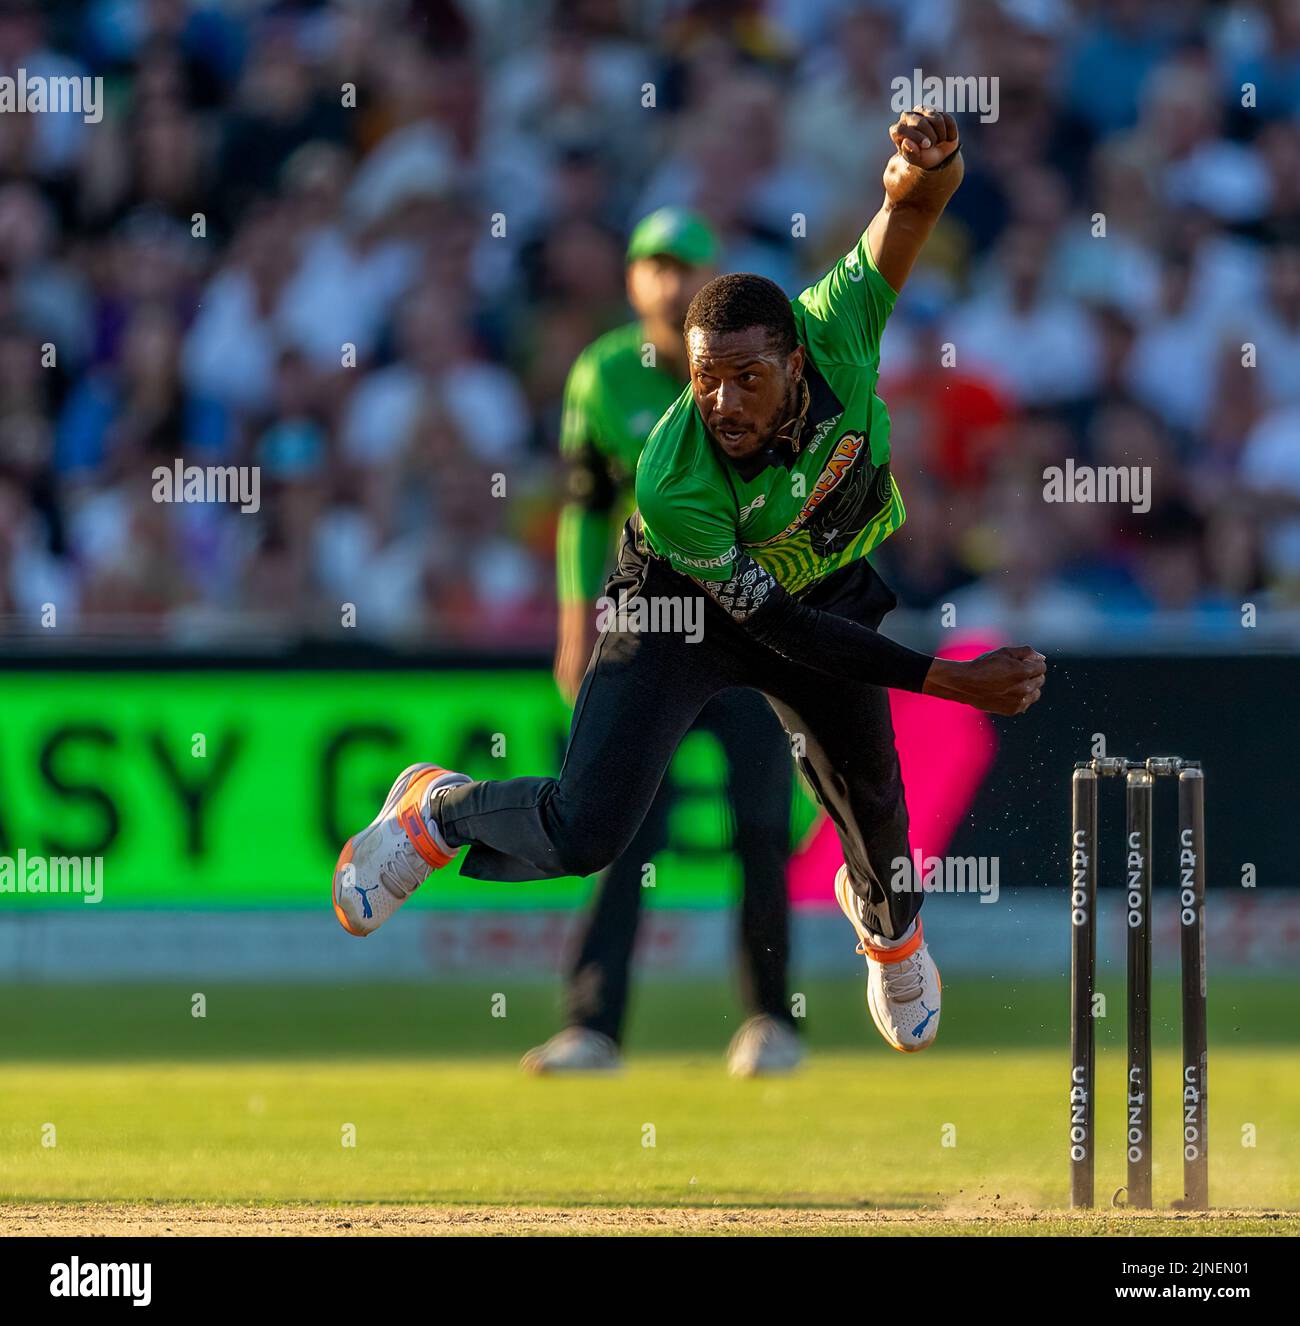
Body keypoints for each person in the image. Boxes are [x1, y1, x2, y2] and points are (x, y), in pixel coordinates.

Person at [332, 109, 1047, 1054]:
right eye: (707, 380)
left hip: (826, 583)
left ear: (795, 358)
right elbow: (778, 630)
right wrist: (946, 681)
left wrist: (933, 163)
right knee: (588, 831)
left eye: (746, 378)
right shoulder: (675, 478)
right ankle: (438, 811)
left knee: (872, 800)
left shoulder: (838, 324)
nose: (722, 403)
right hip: (680, 608)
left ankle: (892, 934)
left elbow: (906, 217)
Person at [533, 207, 799, 1077]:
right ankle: (593, 1027)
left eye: (684, 263)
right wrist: (577, 626)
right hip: (648, 628)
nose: (668, 277)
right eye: (652, 263)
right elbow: (581, 511)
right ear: (632, 280)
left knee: (760, 824)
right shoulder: (604, 374)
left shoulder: (753, 370)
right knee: (616, 829)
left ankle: (770, 1021)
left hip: (748, 627)